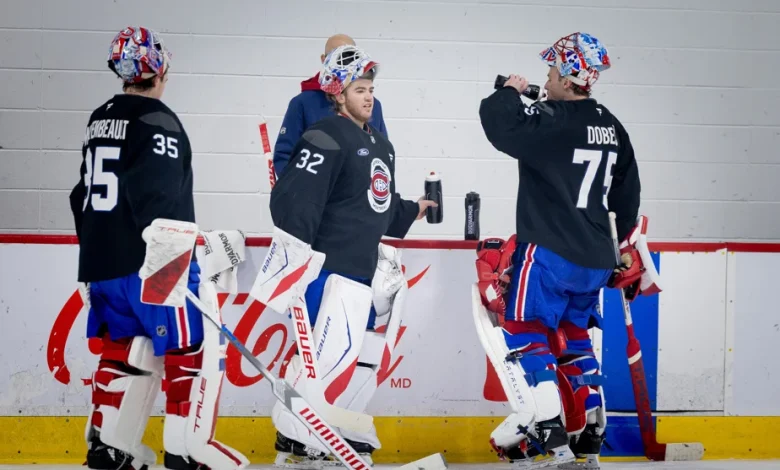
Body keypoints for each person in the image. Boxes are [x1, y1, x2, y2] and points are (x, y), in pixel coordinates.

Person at [69, 26, 248, 470]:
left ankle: (110, 447)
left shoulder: (99, 118)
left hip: (100, 266)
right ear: (159, 67)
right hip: (153, 266)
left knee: (124, 350)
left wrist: (96, 252)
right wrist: (186, 262)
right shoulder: (158, 120)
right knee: (193, 349)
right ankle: (187, 451)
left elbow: (81, 196)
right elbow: (162, 206)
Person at [258, 45, 437, 468]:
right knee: (319, 361)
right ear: (338, 94)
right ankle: (296, 436)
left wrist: (413, 208)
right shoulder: (323, 135)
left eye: (371, 89)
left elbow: (380, 206)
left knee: (347, 361)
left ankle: (307, 435)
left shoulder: (380, 144)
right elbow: (292, 203)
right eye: (360, 89)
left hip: (361, 271)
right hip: (326, 270)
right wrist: (298, 263)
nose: (369, 96)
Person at [474, 32, 645, 469]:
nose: (546, 80)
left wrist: (509, 90)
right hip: (593, 261)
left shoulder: (553, 119)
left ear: (569, 78)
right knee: (573, 341)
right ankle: (591, 433)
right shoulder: (613, 126)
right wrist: (613, 249)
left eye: (552, 72)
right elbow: (627, 199)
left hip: (550, 252)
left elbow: (499, 125)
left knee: (524, 331)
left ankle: (552, 439)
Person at [271, 33, 388, 179]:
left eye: (350, 55)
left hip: (359, 199)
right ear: (324, 59)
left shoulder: (373, 105)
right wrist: (299, 193)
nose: (345, 62)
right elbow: (284, 155)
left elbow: (383, 154)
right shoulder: (302, 103)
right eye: (338, 56)